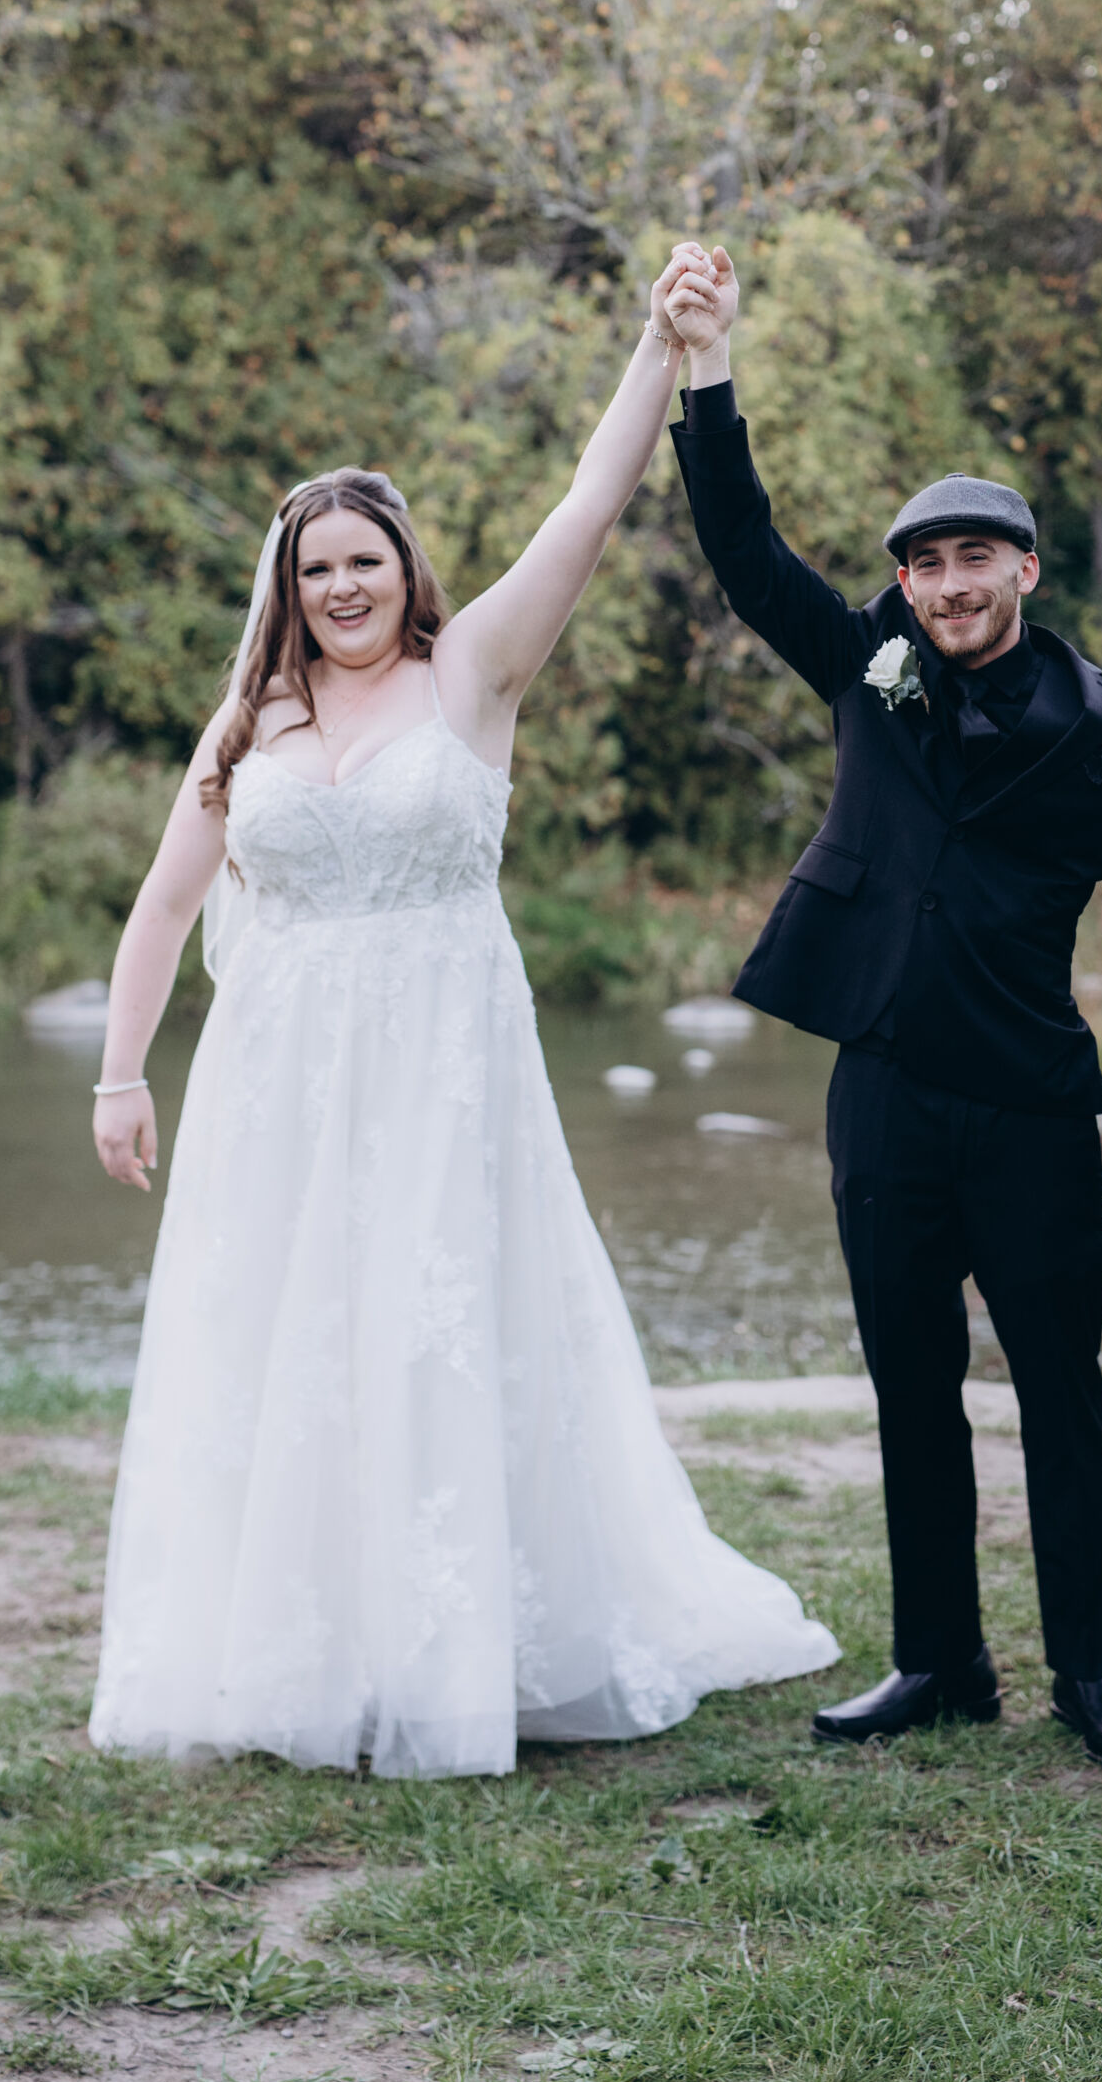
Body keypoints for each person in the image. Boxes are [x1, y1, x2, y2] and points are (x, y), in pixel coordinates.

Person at [85, 258, 837, 1779]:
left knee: (436, 1331)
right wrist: (119, 1076)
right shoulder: (250, 721)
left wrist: (662, 346)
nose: (341, 588)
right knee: (287, 1344)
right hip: (276, 1083)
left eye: (363, 561)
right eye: (315, 569)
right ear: (287, 588)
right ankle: (303, 1654)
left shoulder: (475, 673)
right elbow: (166, 904)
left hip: (440, 1066)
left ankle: (465, 1651)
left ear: (403, 569)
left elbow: (590, 505)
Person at [662, 241, 1102, 1772]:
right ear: (904, 583)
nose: (951, 585)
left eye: (977, 558)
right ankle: (939, 1663)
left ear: (1025, 570)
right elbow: (745, 549)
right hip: (885, 1089)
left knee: (1060, 1397)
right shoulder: (868, 667)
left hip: (1033, 1101)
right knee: (911, 1388)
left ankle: (1091, 1674)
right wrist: (708, 366)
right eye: (926, 564)